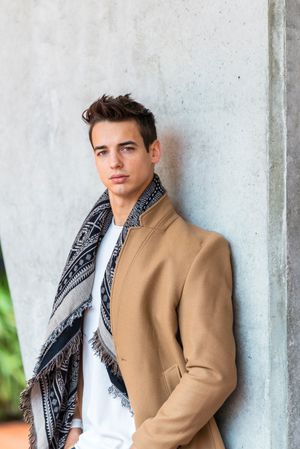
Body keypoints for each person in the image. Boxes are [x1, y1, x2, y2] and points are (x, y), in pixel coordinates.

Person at [20, 94, 237, 449]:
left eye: (127, 148)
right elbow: (79, 341)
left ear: (154, 152)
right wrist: (73, 426)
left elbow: (213, 373)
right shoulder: (88, 243)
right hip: (90, 440)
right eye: (102, 152)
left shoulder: (198, 249)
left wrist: (145, 444)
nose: (114, 162)